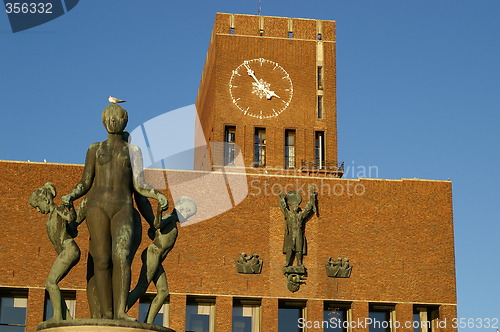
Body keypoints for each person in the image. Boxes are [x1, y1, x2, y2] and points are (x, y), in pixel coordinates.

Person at [62, 104, 168, 320]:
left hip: (123, 207)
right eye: (109, 117)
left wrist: (156, 196)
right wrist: (71, 196)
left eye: (117, 117)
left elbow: (139, 185)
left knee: (122, 256)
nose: (113, 121)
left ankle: (120, 311)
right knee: (101, 258)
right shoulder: (94, 149)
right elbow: (85, 182)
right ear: (103, 121)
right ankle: (106, 313)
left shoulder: (133, 151)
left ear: (124, 121)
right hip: (97, 207)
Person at [127, 196, 197, 324]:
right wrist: (159, 210)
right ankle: (120, 311)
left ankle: (148, 322)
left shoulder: (172, 221)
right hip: (153, 254)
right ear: (180, 208)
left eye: (190, 214)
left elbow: (154, 231)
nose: (187, 217)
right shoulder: (169, 217)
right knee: (141, 287)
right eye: (187, 212)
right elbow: (157, 224)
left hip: (157, 259)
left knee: (163, 292)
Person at [29, 182, 80, 322]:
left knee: (51, 282)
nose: (39, 210)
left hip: (69, 249)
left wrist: (70, 205)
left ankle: (57, 317)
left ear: (46, 200)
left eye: (38, 207)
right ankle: (66, 317)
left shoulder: (58, 209)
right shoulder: (52, 216)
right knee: (53, 282)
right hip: (66, 250)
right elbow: (70, 229)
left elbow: (71, 218)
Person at [278, 186, 317, 267]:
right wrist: (282, 198)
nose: (295, 206)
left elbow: (307, 209)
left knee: (299, 248)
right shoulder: (289, 215)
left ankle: (299, 263)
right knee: (290, 247)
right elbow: (284, 208)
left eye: (296, 205)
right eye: (294, 205)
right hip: (291, 233)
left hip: (298, 232)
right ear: (292, 207)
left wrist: (312, 197)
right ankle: (288, 262)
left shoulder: (300, 215)